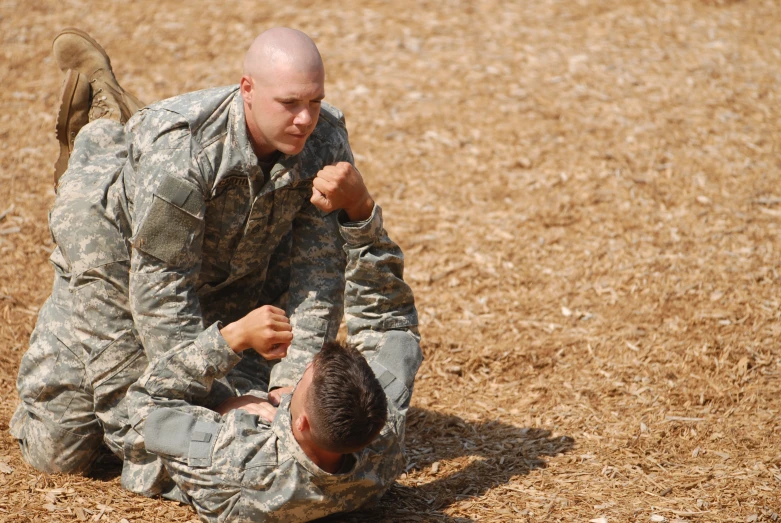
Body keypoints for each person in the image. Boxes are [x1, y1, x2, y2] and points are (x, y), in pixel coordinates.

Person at [10, 27, 375, 475]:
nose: (305, 119)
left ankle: (121, 146)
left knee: (215, 435)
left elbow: (319, 272)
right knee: (69, 454)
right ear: (247, 90)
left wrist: (290, 388)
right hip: (118, 261)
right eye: (289, 104)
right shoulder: (183, 153)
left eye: (314, 102)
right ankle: (102, 141)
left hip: (227, 274)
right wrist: (217, 399)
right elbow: (159, 292)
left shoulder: (324, 138)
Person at [126, 202, 422, 521]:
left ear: (302, 423)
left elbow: (147, 407)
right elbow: (392, 326)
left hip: (173, 408)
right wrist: (361, 215)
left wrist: (232, 340)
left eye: (300, 384)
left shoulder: (235, 456)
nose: (295, 380)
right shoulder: (382, 445)